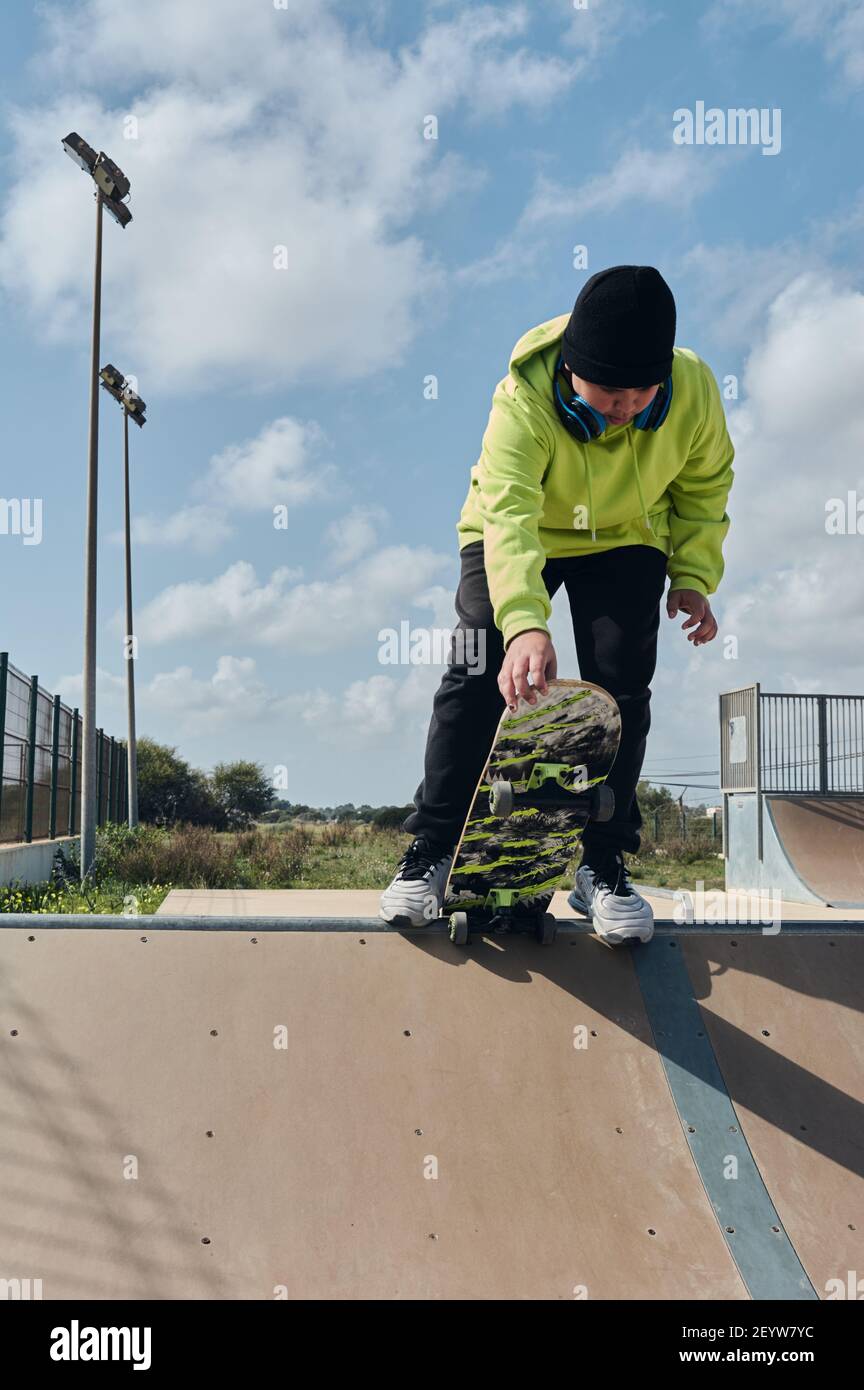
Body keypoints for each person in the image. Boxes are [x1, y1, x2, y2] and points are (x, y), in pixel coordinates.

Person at [379, 265, 734, 943]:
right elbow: (508, 513)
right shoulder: (521, 399)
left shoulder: (693, 391)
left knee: (621, 685)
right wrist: (524, 625)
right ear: (571, 368)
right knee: (479, 670)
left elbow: (705, 484)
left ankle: (602, 865)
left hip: (626, 534)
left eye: (640, 393)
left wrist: (692, 573)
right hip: (518, 529)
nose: (624, 408)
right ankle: (429, 849)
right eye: (608, 392)